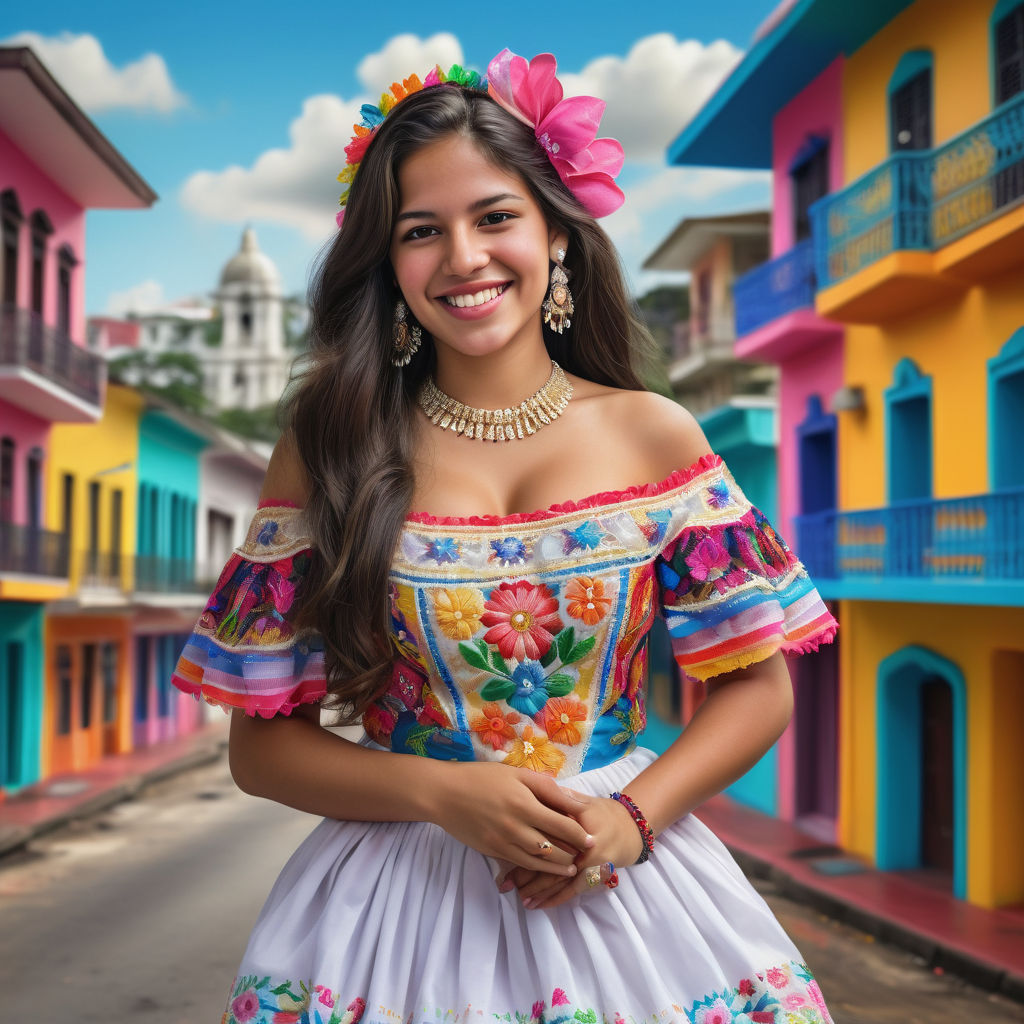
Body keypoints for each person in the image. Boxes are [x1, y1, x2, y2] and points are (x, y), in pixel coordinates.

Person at [172, 49, 838, 1024]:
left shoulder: (653, 434)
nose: (463, 258)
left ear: (556, 235)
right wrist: (446, 796)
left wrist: (629, 819)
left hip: (623, 876)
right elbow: (261, 753)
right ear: (389, 266)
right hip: (391, 910)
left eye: (494, 217)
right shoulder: (328, 449)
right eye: (420, 231)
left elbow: (757, 685)